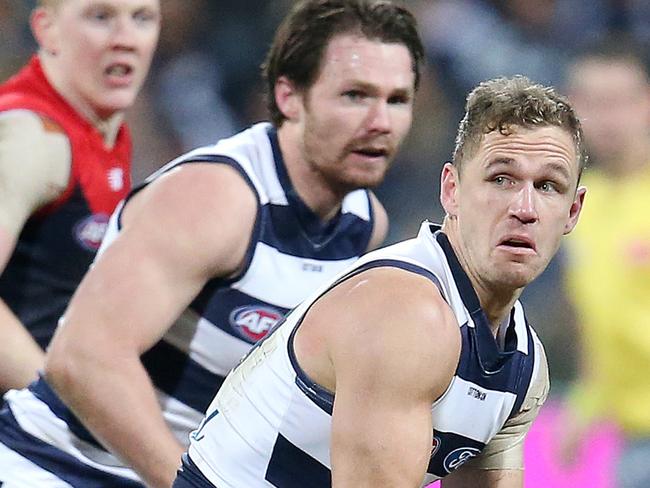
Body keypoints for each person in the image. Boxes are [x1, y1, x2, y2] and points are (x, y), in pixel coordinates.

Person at [0, 0, 424, 487]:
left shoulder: (363, 225)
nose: (380, 122)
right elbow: (83, 360)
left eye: (397, 100)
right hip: (58, 468)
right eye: (355, 95)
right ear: (289, 97)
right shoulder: (219, 198)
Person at [173, 75, 588, 488]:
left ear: (572, 211)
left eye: (548, 186)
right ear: (452, 191)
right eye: (501, 179)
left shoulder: (524, 365)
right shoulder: (405, 314)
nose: (525, 208)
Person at [0, 0, 161, 394]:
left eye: (142, 18)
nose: (125, 40)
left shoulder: (100, 128)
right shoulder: (30, 138)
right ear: (46, 28)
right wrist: (58, 409)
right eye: (100, 17)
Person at [557, 39, 650, 488]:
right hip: (632, 435)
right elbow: (595, 319)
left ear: (645, 104)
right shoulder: (580, 204)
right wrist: (584, 405)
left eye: (619, 102)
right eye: (593, 103)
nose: (608, 118)